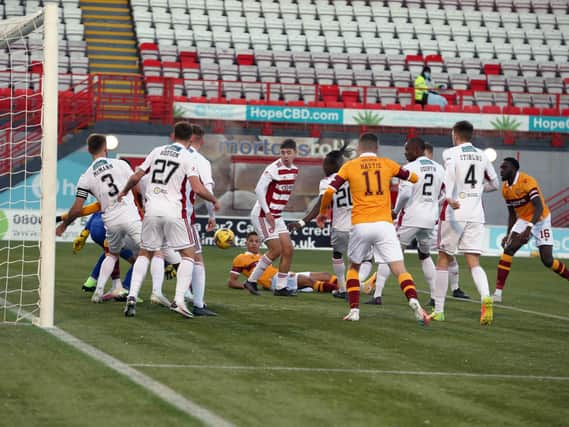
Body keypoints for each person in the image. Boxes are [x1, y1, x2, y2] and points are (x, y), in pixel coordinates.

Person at [317, 133, 430, 324]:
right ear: (376, 148)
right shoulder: (387, 163)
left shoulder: (350, 166)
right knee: (399, 269)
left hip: (361, 225)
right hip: (385, 224)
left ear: (359, 148)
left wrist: (322, 213)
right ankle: (413, 301)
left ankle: (354, 311)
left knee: (354, 267)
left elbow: (329, 191)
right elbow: (414, 177)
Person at [117, 121, 219, 318]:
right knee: (189, 256)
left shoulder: (157, 151)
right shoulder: (190, 158)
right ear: (191, 139)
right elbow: (198, 188)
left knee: (145, 253)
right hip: (175, 212)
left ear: (173, 135)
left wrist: (124, 191)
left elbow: (136, 176)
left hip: (151, 210)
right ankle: (179, 300)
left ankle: (132, 295)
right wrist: (214, 200)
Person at [56, 134, 142, 303]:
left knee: (111, 255)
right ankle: (135, 293)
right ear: (106, 149)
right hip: (130, 216)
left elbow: (76, 209)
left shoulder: (86, 176)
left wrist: (64, 225)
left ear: (89, 150)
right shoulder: (121, 164)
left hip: (110, 221)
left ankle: (99, 291)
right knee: (150, 251)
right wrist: (141, 207)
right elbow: (137, 187)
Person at [431, 121, 499, 325]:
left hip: (455, 211)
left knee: (443, 258)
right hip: (476, 213)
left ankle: (439, 310)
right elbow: (495, 184)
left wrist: (450, 196)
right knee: (474, 262)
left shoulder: (450, 153)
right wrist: (477, 191)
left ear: (455, 134)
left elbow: (450, 175)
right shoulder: (483, 156)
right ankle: (486, 297)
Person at [367, 137, 445, 305]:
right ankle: (434, 297)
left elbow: (405, 194)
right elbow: (445, 193)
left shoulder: (409, 168)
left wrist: (395, 211)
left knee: (390, 253)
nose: (405, 153)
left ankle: (377, 295)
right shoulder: (439, 168)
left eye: (407, 149)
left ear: (417, 150)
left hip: (411, 217)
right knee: (425, 255)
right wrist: (433, 205)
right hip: (431, 219)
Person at [493, 158, 569, 302]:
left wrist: (529, 229)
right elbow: (512, 214)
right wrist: (508, 234)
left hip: (541, 219)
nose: (501, 170)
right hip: (523, 219)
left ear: (513, 169)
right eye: (501, 167)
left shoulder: (527, 181)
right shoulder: (505, 189)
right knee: (508, 249)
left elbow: (539, 207)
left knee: (547, 260)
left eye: (504, 167)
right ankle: (497, 293)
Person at [243, 139, 298, 297]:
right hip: (262, 215)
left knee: (288, 249)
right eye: (282, 153)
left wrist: (279, 208)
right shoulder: (273, 168)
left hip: (277, 215)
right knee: (276, 249)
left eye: (288, 153)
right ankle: (251, 281)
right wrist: (267, 212)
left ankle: (281, 287)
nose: (285, 156)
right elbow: (259, 189)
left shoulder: (294, 170)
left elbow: (281, 192)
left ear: (295, 153)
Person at [228, 232, 338, 293]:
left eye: (257, 241)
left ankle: (345, 285)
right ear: (245, 242)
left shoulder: (264, 256)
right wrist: (246, 286)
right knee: (309, 281)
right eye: (251, 241)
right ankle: (341, 290)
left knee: (325, 275)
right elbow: (231, 282)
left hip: (281, 275)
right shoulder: (240, 258)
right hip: (274, 281)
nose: (254, 243)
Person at [72, 212, 134, 299]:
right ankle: (125, 289)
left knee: (110, 254)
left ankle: (92, 282)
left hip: (95, 225)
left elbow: (94, 208)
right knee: (138, 259)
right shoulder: (132, 199)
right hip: (108, 225)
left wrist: (84, 233)